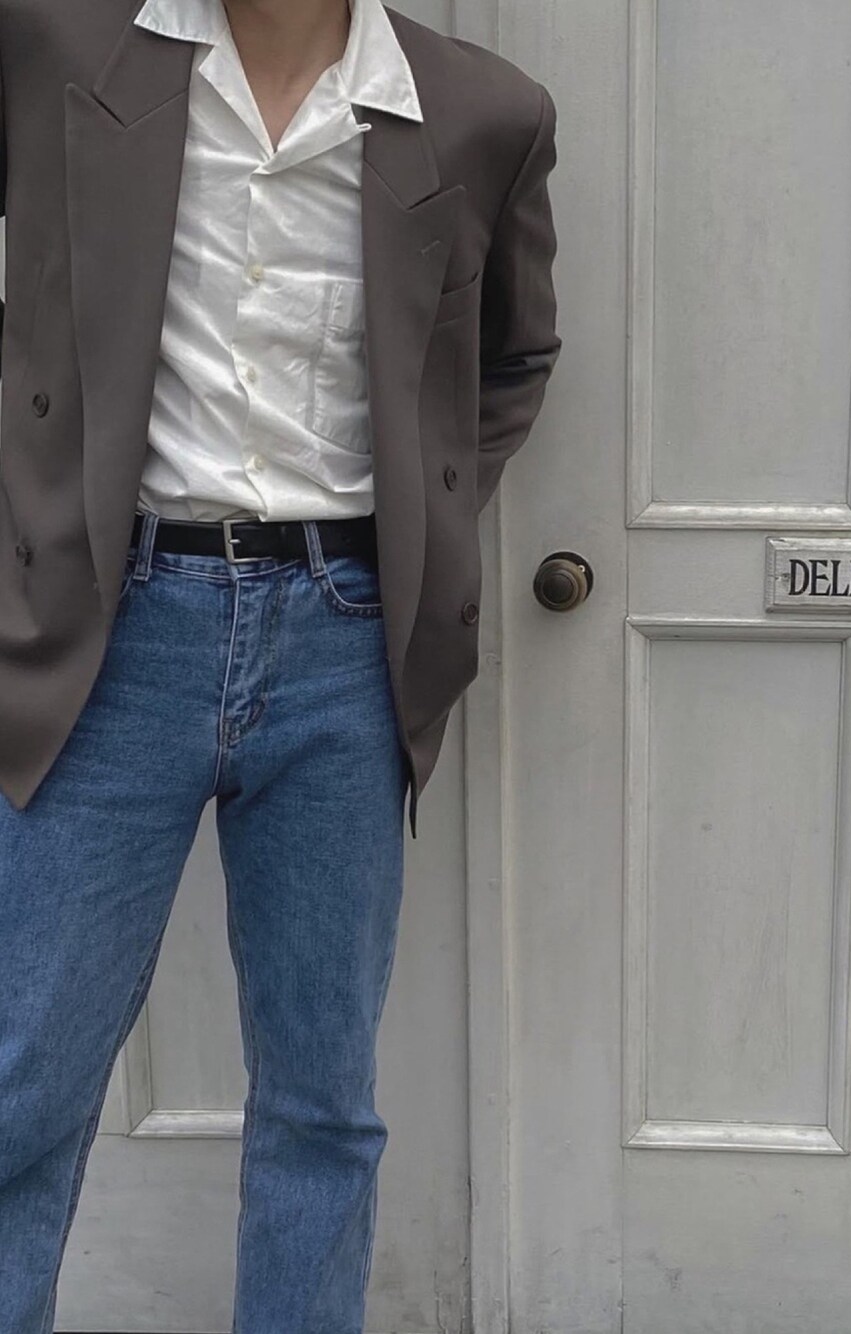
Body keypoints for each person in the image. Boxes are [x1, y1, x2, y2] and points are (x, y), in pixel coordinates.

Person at [0, 0, 561, 1327]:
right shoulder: (57, 45)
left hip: (344, 642)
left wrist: (429, 521)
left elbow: (513, 358)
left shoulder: (481, 112)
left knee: (322, 1105)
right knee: (23, 1085)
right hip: (113, 633)